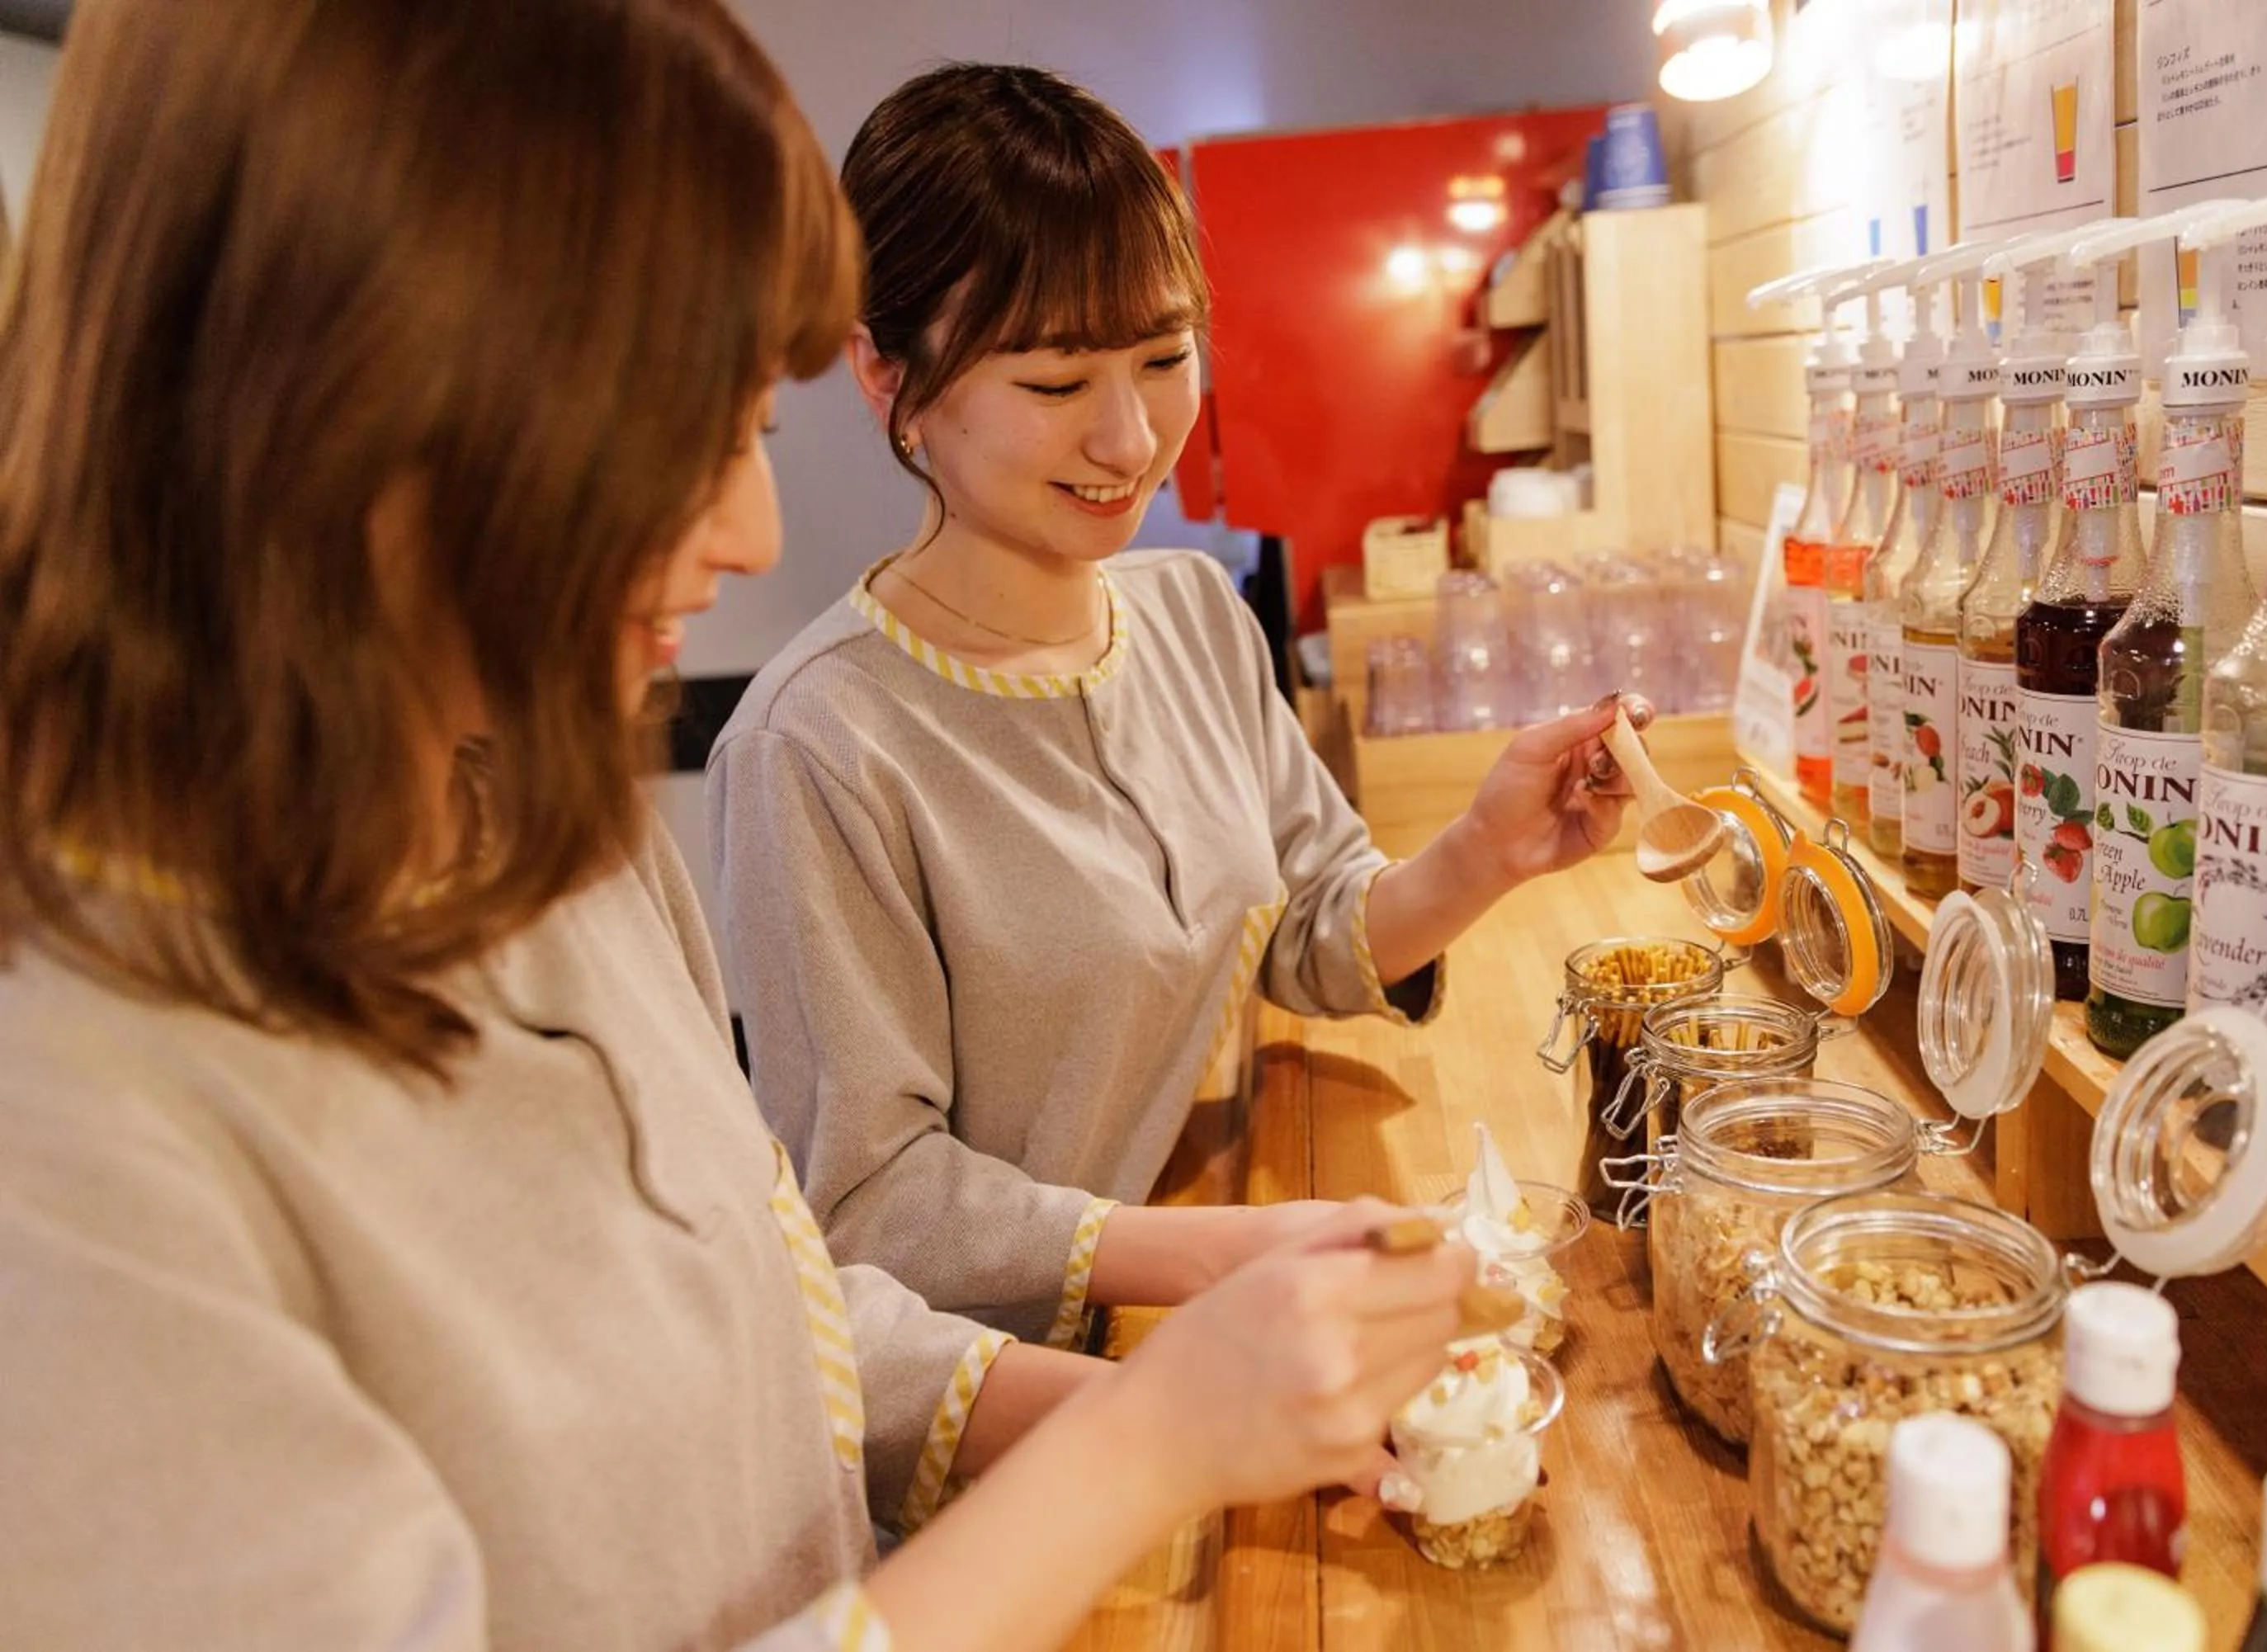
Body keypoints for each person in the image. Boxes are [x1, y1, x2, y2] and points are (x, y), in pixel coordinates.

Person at [0, 7, 1474, 1649]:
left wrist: (1220, 1406)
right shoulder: (75, 1138)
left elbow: (776, 1309)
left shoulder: (543, 810)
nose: (752, 529)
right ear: (323, 398)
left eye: (751, 428)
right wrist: (1148, 1439)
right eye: (663, 432)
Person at [708, 63, 1645, 1348]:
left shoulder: (1193, 612)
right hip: (1016, 1414)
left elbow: (1298, 926)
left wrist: (1484, 852)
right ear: (889, 378)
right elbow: (869, 1203)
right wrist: (1223, 1252)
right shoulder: (814, 742)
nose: (1129, 438)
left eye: (1163, 357)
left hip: (1194, 1290)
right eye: (1052, 383)